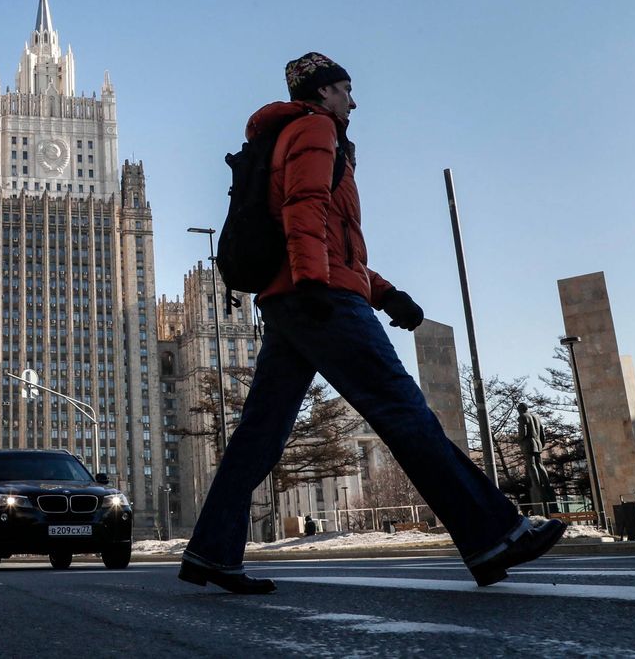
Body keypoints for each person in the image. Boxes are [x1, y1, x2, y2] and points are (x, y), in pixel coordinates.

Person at [179, 52, 565, 595]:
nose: (353, 101)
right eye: (345, 89)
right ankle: (494, 533)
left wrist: (385, 293)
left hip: (292, 300)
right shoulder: (314, 129)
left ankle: (211, 552)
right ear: (321, 92)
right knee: (404, 412)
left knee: (258, 437)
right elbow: (304, 207)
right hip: (321, 300)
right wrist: (317, 285)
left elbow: (331, 240)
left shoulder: (290, 135)